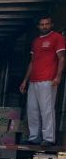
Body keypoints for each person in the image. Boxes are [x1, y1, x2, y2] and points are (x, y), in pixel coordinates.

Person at [20, 16, 65, 146]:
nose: (44, 26)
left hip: (48, 79)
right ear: (38, 26)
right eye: (42, 24)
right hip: (34, 80)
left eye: (47, 24)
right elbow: (32, 62)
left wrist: (58, 76)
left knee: (47, 109)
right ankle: (34, 137)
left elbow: (61, 58)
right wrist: (25, 81)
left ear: (52, 24)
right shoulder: (35, 42)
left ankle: (49, 138)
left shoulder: (57, 37)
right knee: (32, 109)